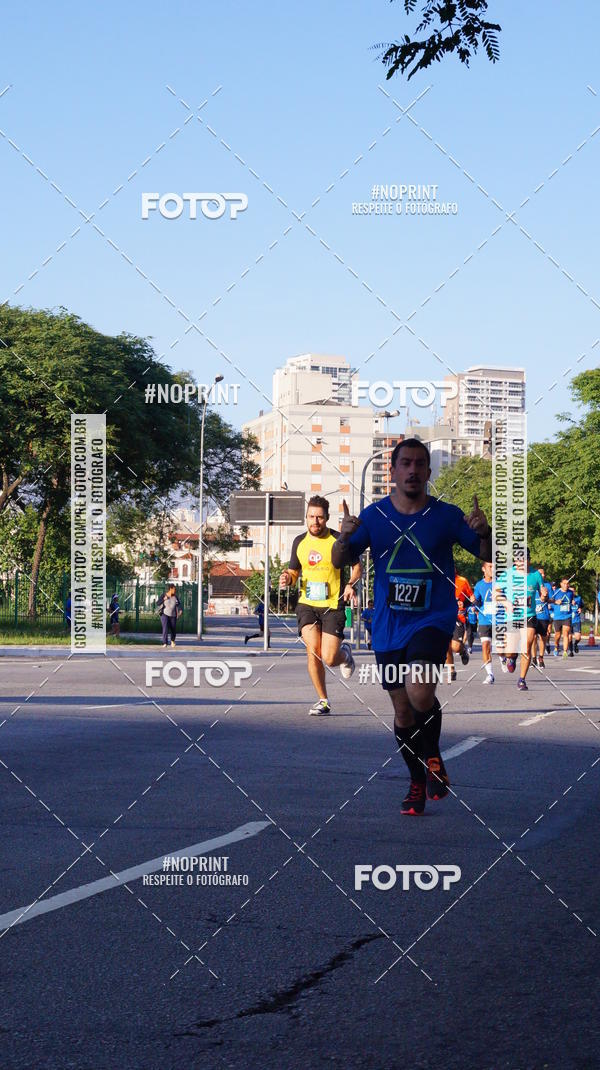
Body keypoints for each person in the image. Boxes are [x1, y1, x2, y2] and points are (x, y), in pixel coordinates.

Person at [331, 439, 492, 815]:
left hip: (432, 619)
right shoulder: (373, 517)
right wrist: (343, 536)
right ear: (393, 470)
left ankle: (432, 754)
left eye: (420, 464)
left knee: (420, 691)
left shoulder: (447, 515)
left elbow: (485, 554)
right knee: (403, 712)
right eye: (406, 463)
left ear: (428, 473)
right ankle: (417, 781)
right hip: (388, 624)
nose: (413, 470)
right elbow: (342, 559)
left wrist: (484, 531)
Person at [280, 495, 361, 716]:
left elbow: (357, 567)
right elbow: (294, 571)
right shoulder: (300, 542)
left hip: (333, 605)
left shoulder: (338, 540)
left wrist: (351, 584)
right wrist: (288, 577)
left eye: (320, 518)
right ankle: (323, 700)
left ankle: (345, 655)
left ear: (327, 518)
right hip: (307, 604)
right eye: (311, 517)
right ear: (306, 518)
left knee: (329, 657)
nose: (315, 521)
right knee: (312, 650)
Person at [495, 551, 546, 691]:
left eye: (522, 560)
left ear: (529, 560)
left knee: (527, 645)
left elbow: (543, 597)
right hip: (512, 617)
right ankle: (511, 658)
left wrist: (544, 597)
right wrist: (506, 603)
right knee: (510, 651)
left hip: (529, 615)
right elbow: (496, 593)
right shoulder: (507, 574)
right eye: (517, 560)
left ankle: (522, 679)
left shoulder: (536, 576)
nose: (519, 563)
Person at [445, 572, 473, 682]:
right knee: (446, 646)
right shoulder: (440, 578)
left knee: (455, 647)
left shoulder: (462, 580)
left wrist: (466, 604)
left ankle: (463, 651)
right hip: (444, 617)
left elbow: (471, 596)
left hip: (458, 618)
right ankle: (451, 670)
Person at [473, 562, 495, 683]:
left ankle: (504, 659)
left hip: (500, 619)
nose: (492, 569)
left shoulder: (501, 583)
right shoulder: (479, 585)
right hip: (484, 620)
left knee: (503, 650)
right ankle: (490, 674)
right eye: (490, 567)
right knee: (485, 646)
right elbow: (476, 601)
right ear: (483, 569)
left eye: (494, 566)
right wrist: (474, 601)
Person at [551, 578, 574, 657]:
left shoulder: (571, 593)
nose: (566, 585)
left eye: (567, 583)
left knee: (566, 633)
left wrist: (573, 603)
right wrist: (556, 602)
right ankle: (556, 646)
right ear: (561, 584)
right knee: (557, 635)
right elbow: (550, 601)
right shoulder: (556, 592)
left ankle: (565, 651)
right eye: (564, 583)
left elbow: (572, 601)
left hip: (567, 616)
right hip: (557, 617)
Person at [534, 567, 552, 667]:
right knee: (532, 637)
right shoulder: (531, 585)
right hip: (533, 615)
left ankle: (541, 657)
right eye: (541, 574)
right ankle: (533, 658)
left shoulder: (547, 586)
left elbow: (552, 599)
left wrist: (546, 599)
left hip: (544, 616)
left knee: (543, 637)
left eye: (544, 574)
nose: (543, 575)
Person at [569, 585, 582, 654]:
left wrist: (580, 609)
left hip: (576, 620)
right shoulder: (566, 599)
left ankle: (575, 644)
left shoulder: (578, 598)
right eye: (570, 591)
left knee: (578, 637)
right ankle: (571, 651)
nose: (572, 592)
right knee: (569, 637)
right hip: (568, 620)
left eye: (573, 591)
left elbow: (581, 606)